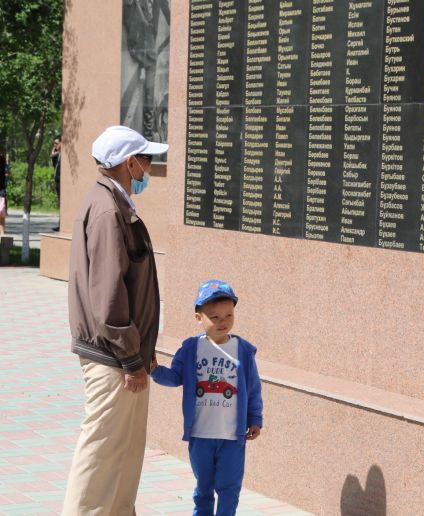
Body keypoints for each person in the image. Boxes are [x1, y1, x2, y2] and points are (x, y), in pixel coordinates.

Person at [63, 125, 168, 515]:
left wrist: (142, 352)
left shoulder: (111, 204)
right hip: (113, 358)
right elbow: (109, 297)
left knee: (123, 454)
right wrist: (130, 358)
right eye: (148, 160)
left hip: (121, 356)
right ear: (130, 162)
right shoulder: (108, 210)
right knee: (102, 452)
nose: (150, 169)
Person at [151, 279, 263, 516]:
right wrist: (155, 370)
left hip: (232, 437)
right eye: (215, 317)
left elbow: (252, 388)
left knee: (230, 488)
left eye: (228, 316)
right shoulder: (191, 348)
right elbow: (175, 377)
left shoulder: (243, 350)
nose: (223, 322)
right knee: (203, 489)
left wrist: (255, 418)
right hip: (200, 435)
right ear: (198, 317)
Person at [50, 135, 61, 231]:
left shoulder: (64, 156)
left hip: (62, 183)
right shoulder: (58, 156)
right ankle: (60, 224)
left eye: (56, 143)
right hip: (57, 183)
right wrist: (52, 156)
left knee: (61, 204)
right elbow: (55, 167)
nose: (55, 145)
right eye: (54, 144)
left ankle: (61, 224)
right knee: (59, 204)